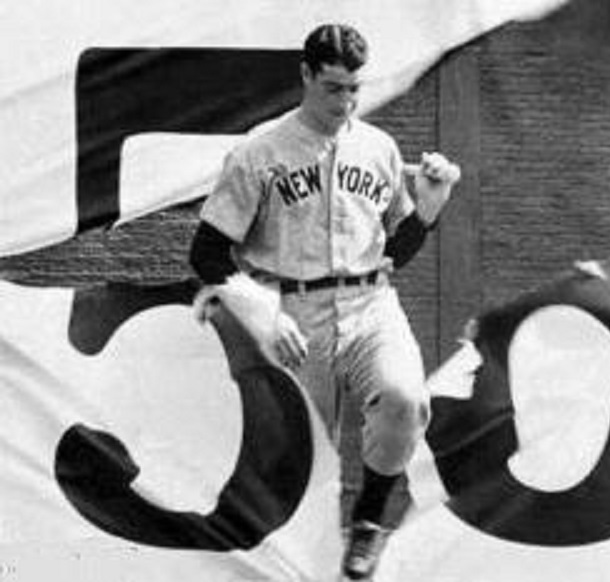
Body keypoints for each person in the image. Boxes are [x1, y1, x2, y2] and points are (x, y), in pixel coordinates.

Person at [189, 23, 460, 581]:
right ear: (307, 74)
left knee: (405, 400)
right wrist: (257, 307)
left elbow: (394, 252)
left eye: (355, 88)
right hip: (290, 312)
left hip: (369, 304)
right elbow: (207, 251)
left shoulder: (378, 147)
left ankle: (368, 523)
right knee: (300, 462)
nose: (347, 101)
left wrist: (429, 213)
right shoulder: (259, 151)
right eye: (334, 87)